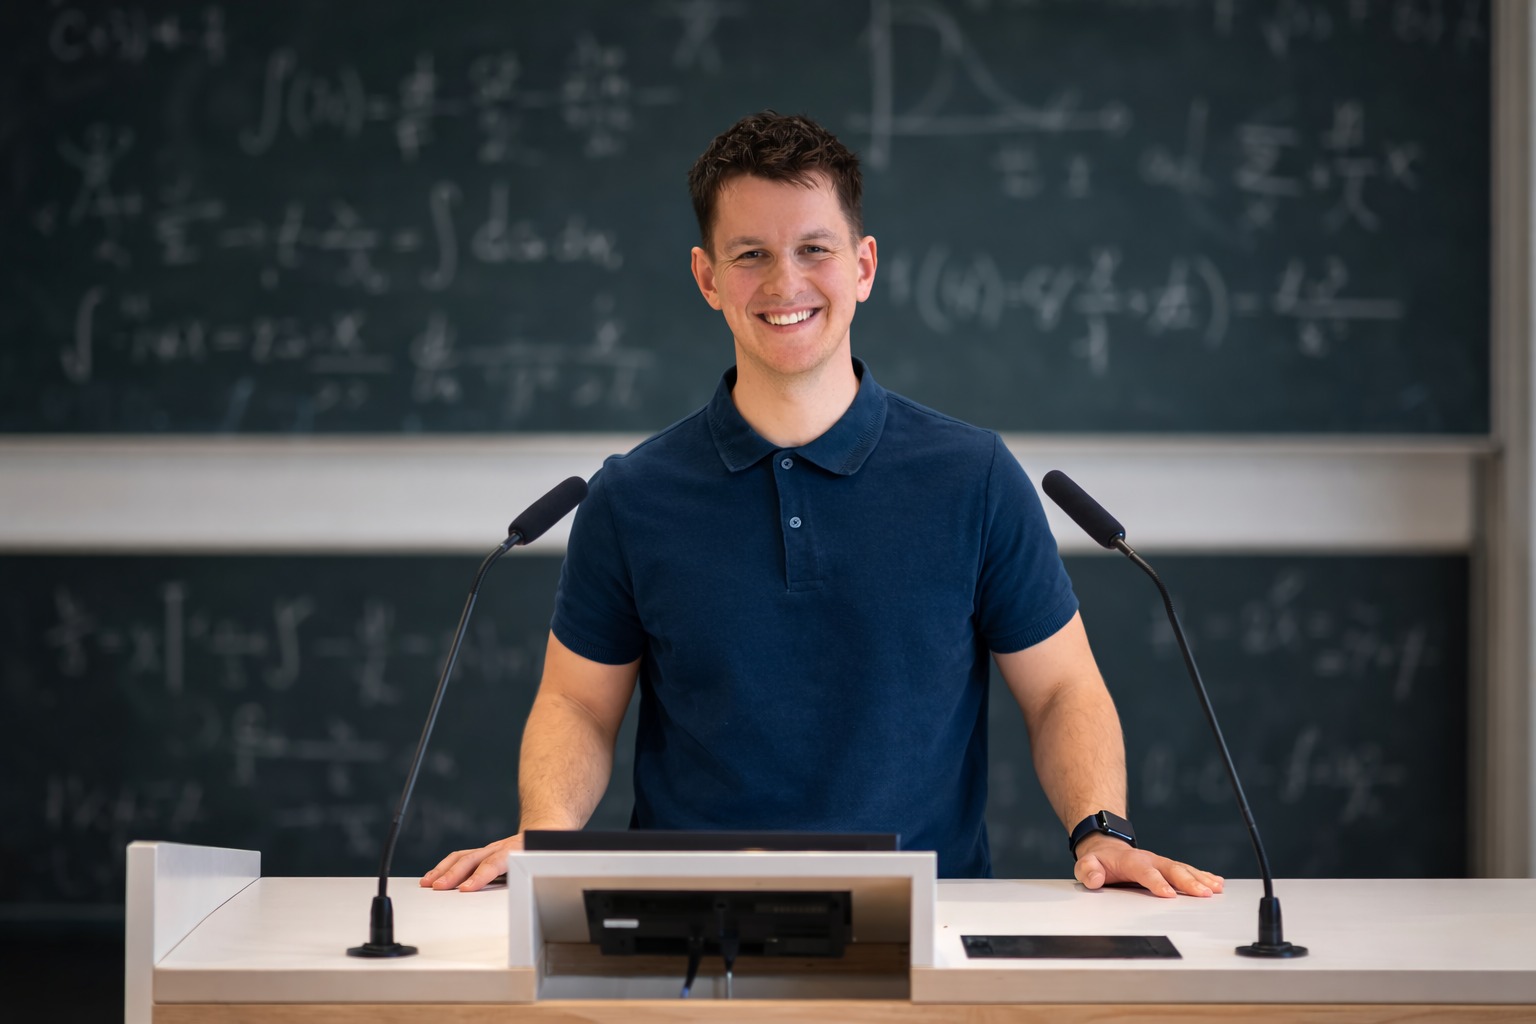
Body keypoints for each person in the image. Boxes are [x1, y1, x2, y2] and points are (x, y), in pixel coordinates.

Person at [423, 111, 1222, 897]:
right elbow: (577, 704)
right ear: (706, 278)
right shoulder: (631, 497)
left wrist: (1100, 826)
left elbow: (1061, 690)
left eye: (814, 250)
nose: (784, 283)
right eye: (750, 255)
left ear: (864, 266)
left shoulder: (974, 477)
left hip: (928, 932)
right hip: (690, 933)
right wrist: (550, 836)